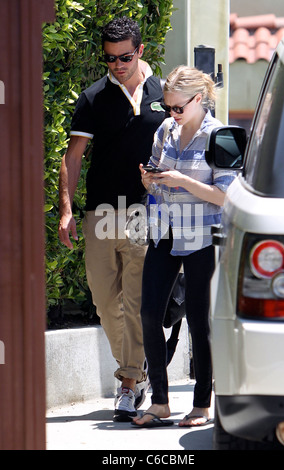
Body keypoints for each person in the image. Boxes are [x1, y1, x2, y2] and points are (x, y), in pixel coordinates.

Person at [58, 16, 165, 422]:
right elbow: (72, 157)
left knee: (136, 302)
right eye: (109, 59)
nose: (117, 65)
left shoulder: (163, 91)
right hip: (100, 211)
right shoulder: (92, 97)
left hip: (144, 211)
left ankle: (128, 384)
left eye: (124, 57)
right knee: (105, 302)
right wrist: (67, 211)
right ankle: (142, 370)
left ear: (140, 51)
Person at [132, 65, 235, 428]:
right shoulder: (165, 130)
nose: (171, 114)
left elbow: (225, 196)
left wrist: (181, 181)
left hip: (203, 236)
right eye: (167, 107)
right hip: (164, 230)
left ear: (198, 99)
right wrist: (151, 180)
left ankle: (201, 404)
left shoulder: (219, 135)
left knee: (198, 321)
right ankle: (160, 402)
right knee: (148, 313)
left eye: (178, 108)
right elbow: (158, 185)